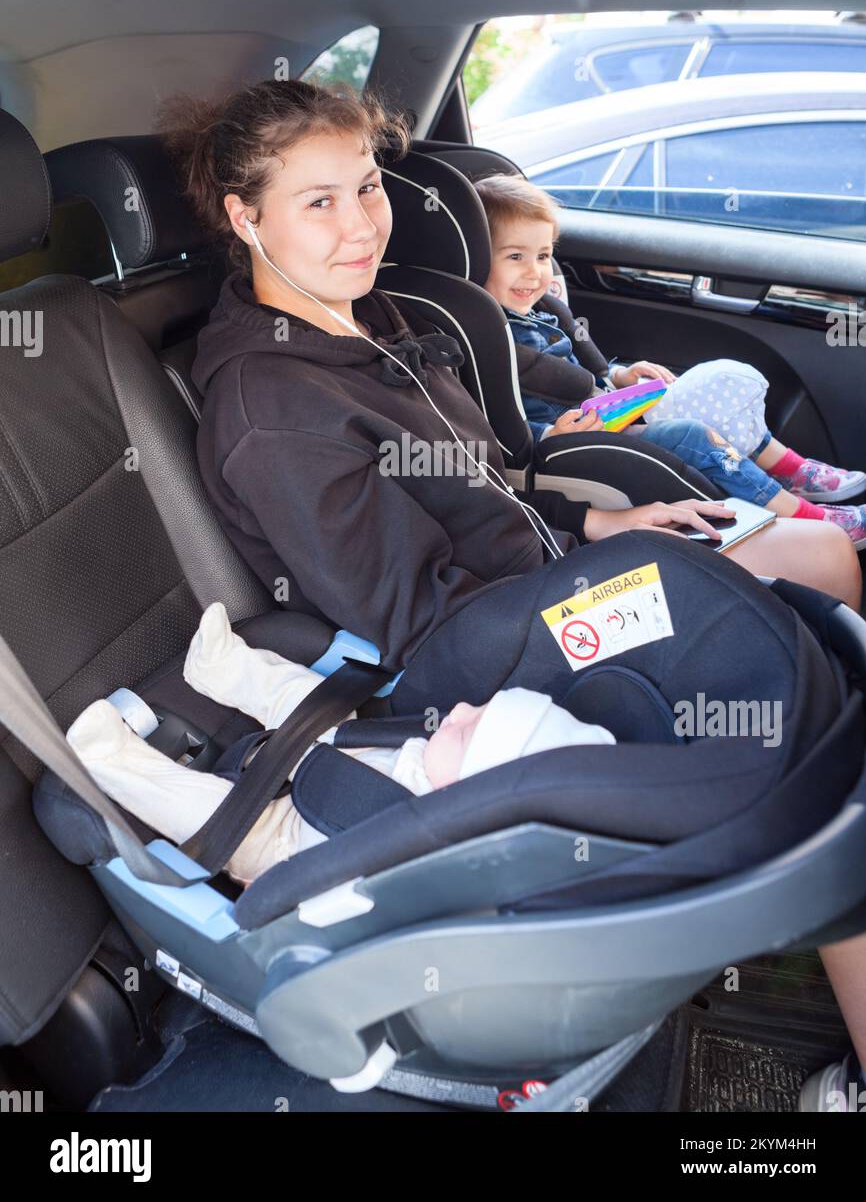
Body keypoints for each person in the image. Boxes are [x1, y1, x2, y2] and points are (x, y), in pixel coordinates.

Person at [155, 78, 863, 1104]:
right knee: (813, 722)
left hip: (544, 585)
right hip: (488, 655)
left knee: (825, 571)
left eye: (366, 186)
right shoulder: (275, 409)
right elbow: (423, 625)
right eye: (319, 202)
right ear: (242, 216)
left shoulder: (369, 316)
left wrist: (596, 525)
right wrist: (604, 587)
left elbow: (479, 476)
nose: (360, 225)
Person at [65, 602, 615, 888]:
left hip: (300, 851)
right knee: (318, 707)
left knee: (222, 819)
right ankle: (225, 668)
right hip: (361, 768)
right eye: (478, 707)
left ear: (477, 793)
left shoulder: (428, 856)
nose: (461, 711)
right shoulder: (444, 767)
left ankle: (111, 761)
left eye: (469, 731)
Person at [474, 173, 866, 551]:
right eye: (515, 256)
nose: (535, 272)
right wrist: (547, 435)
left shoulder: (542, 311)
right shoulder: (485, 335)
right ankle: (808, 516)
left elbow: (577, 369)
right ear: (475, 258)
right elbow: (497, 418)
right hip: (573, 443)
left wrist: (618, 374)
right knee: (694, 435)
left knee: (720, 392)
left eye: (543, 255)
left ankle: (792, 472)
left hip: (608, 413)